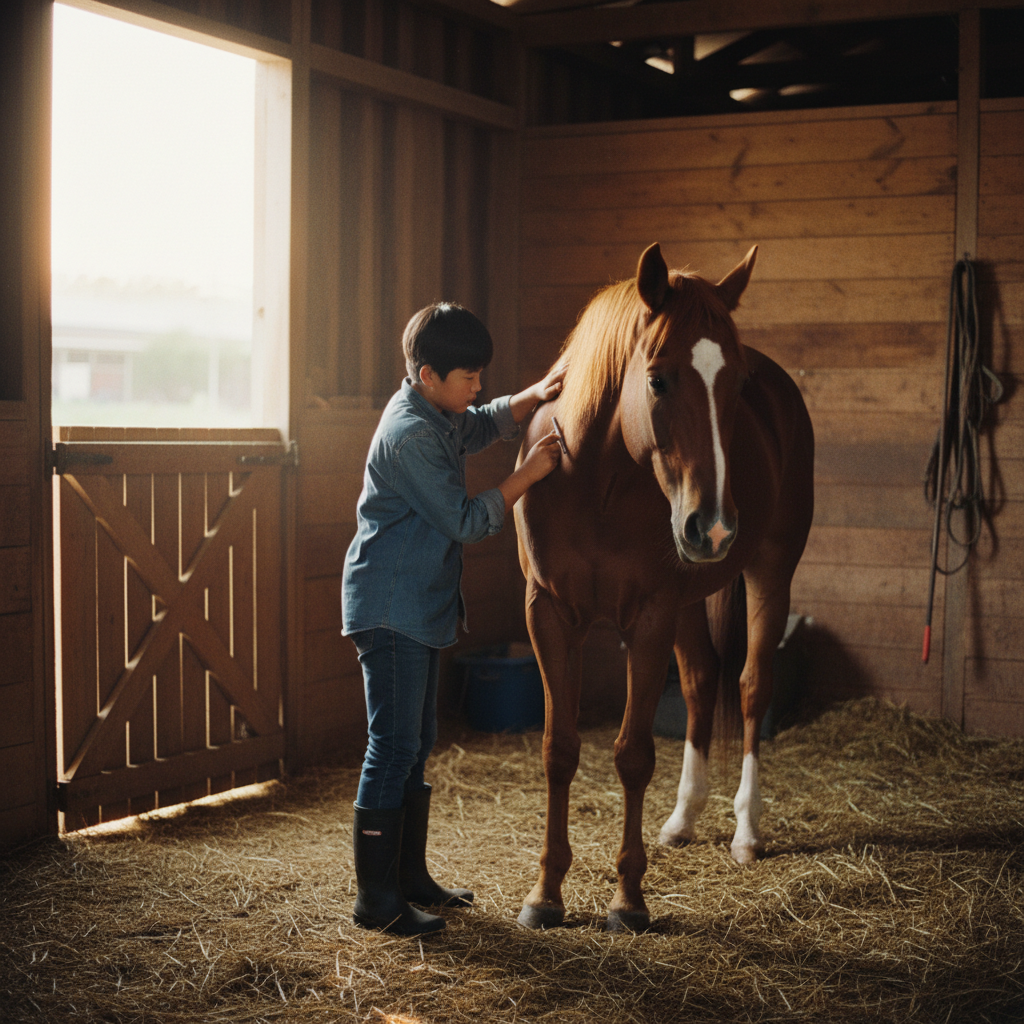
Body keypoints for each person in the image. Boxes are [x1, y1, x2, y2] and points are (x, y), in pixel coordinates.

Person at [341, 302, 565, 935]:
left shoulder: (437, 413)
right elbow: (465, 521)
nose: (478, 387)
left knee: (416, 744)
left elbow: (479, 423)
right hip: (391, 608)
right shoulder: (410, 435)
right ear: (428, 375)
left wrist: (531, 396)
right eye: (469, 377)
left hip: (416, 606)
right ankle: (376, 899)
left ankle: (408, 878)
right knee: (392, 747)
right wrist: (528, 473)